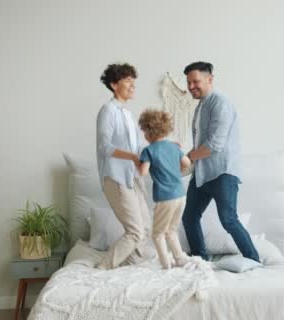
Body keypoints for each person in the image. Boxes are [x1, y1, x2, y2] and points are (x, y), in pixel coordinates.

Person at [181, 61, 259, 262]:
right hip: (202, 173)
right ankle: (200, 260)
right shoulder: (200, 107)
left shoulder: (221, 103)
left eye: (195, 81)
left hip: (222, 173)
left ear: (210, 79)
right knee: (189, 218)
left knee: (229, 220)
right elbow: (201, 145)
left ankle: (254, 261)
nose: (191, 87)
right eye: (188, 82)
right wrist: (181, 161)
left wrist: (189, 157)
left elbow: (215, 144)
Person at [96, 63, 153, 269]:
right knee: (135, 231)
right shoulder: (107, 111)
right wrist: (131, 157)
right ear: (113, 84)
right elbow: (105, 147)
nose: (132, 85)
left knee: (145, 228)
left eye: (133, 81)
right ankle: (102, 268)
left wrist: (161, 146)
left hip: (133, 178)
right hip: (116, 178)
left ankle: (131, 268)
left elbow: (138, 148)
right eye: (128, 81)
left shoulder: (128, 115)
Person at [136, 109, 191, 269]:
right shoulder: (174, 147)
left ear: (149, 132)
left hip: (165, 198)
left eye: (144, 131)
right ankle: (180, 259)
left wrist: (136, 160)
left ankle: (166, 264)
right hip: (180, 195)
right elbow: (187, 163)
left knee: (158, 233)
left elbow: (143, 172)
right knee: (171, 230)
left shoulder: (148, 151)